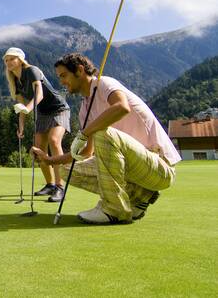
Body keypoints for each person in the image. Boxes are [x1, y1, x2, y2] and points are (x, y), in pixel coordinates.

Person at [32, 53, 181, 224]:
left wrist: (86, 132)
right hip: (135, 169)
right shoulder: (85, 109)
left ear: (80, 70)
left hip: (159, 167)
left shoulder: (104, 83)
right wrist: (50, 160)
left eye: (64, 76)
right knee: (67, 169)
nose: (62, 82)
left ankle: (113, 209)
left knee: (103, 132)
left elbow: (122, 107)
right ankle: (138, 196)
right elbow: (86, 153)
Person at [3, 47, 71, 202]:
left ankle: (60, 187)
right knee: (38, 148)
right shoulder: (15, 80)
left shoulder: (31, 70)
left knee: (54, 141)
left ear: (20, 60)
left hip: (58, 109)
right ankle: (50, 185)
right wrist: (21, 126)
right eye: (6, 60)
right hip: (42, 112)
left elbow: (39, 94)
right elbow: (20, 107)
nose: (8, 62)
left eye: (11, 59)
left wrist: (28, 108)